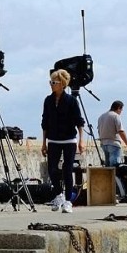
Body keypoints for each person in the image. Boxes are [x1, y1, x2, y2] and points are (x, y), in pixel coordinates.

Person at [41, 69, 85, 214]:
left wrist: (81, 140)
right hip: (53, 139)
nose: (51, 85)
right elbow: (45, 122)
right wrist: (43, 142)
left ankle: (68, 201)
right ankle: (59, 194)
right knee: (52, 169)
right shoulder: (48, 100)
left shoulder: (72, 101)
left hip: (69, 139)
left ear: (62, 84)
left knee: (67, 169)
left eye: (54, 82)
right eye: (50, 82)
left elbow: (79, 121)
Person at [97, 100, 127, 166]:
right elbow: (120, 131)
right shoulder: (115, 116)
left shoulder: (101, 116)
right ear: (118, 108)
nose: (121, 112)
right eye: (121, 110)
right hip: (113, 144)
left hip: (104, 143)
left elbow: (99, 130)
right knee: (115, 166)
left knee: (108, 166)